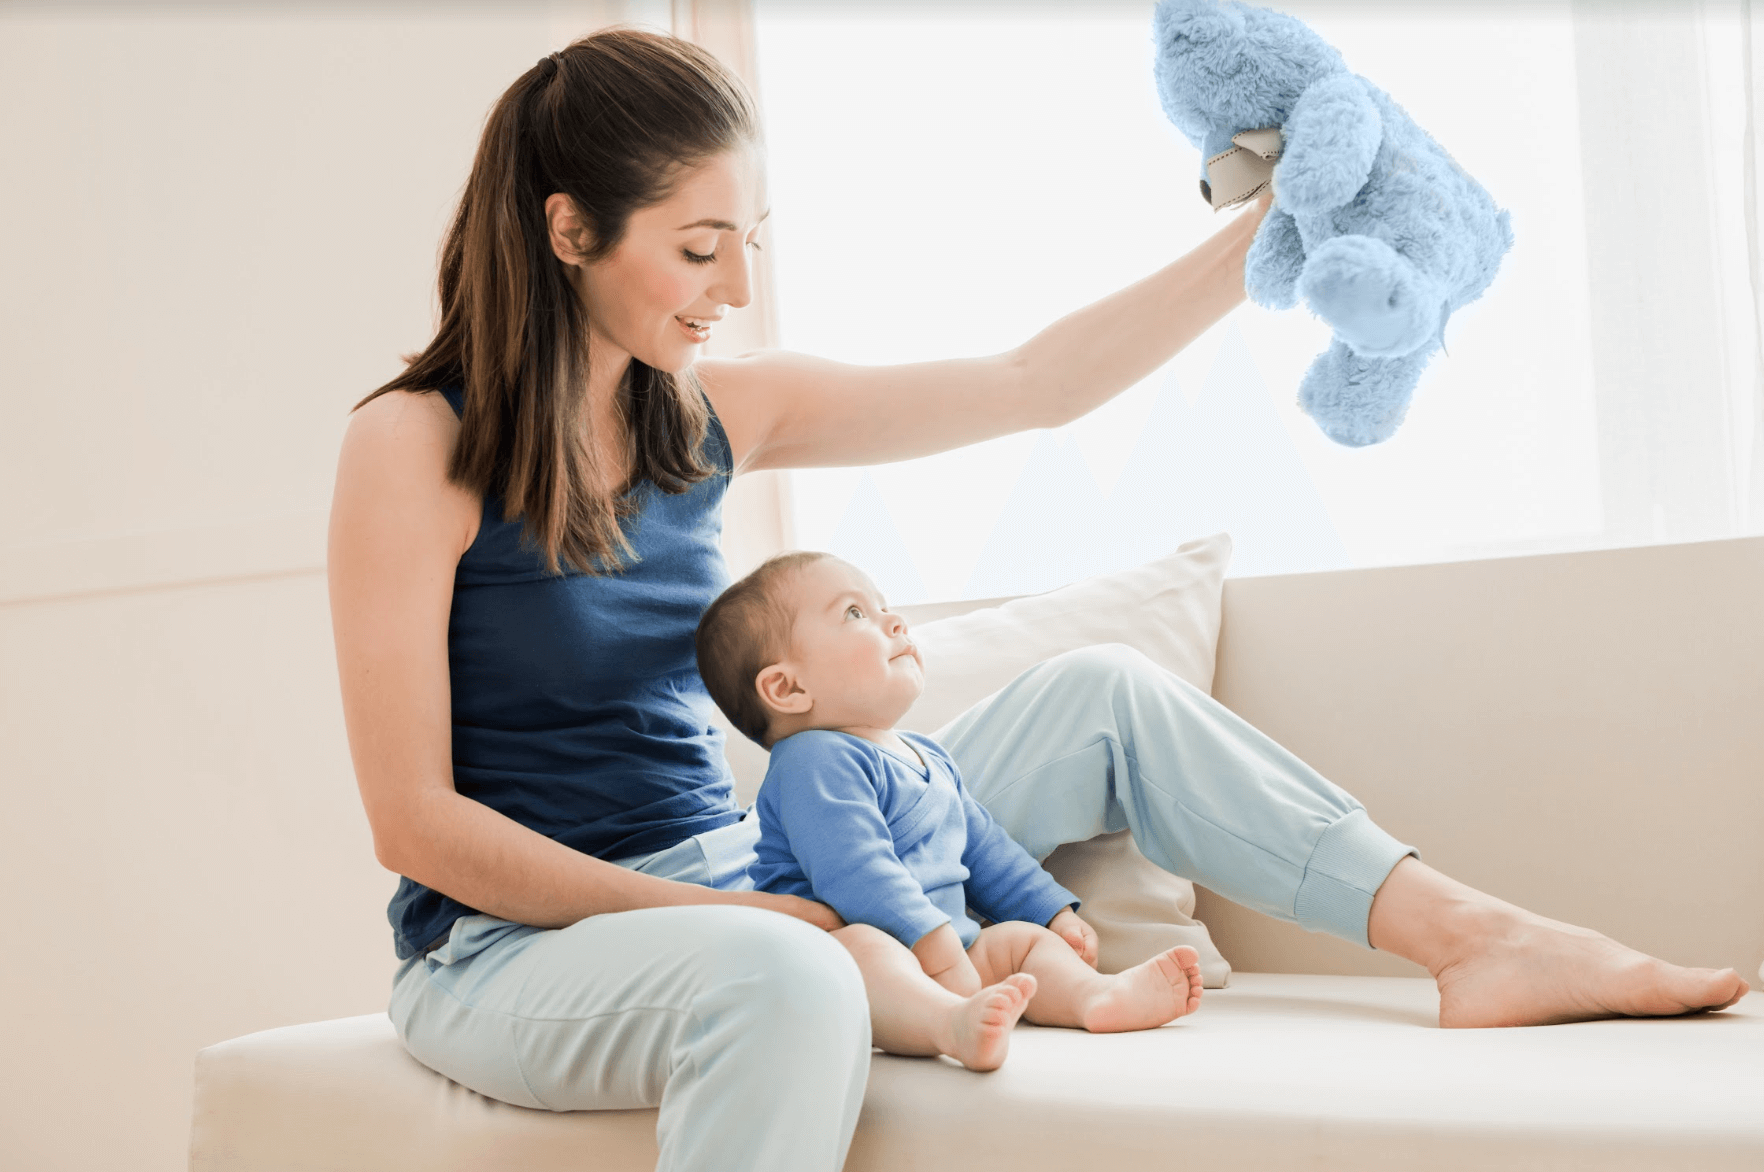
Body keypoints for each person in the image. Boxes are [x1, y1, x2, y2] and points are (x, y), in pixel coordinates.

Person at [325, 26, 1749, 1172]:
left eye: (745, 236)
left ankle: (1477, 941)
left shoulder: (708, 414)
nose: (737, 287)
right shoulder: (413, 444)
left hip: (735, 862)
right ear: (570, 232)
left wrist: (1278, 226)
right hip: (516, 945)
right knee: (794, 983)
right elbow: (418, 826)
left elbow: (1032, 385)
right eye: (698, 250)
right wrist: (740, 920)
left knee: (1106, 698)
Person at [695, 550, 1207, 1072]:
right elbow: (855, 871)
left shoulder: (927, 757)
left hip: (951, 952)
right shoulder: (811, 761)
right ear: (788, 688)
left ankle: (1094, 998)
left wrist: (1051, 915)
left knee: (1023, 945)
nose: (894, 621)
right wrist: (934, 946)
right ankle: (949, 1025)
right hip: (858, 956)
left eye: (884, 605)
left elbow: (986, 851)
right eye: (855, 613)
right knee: (864, 950)